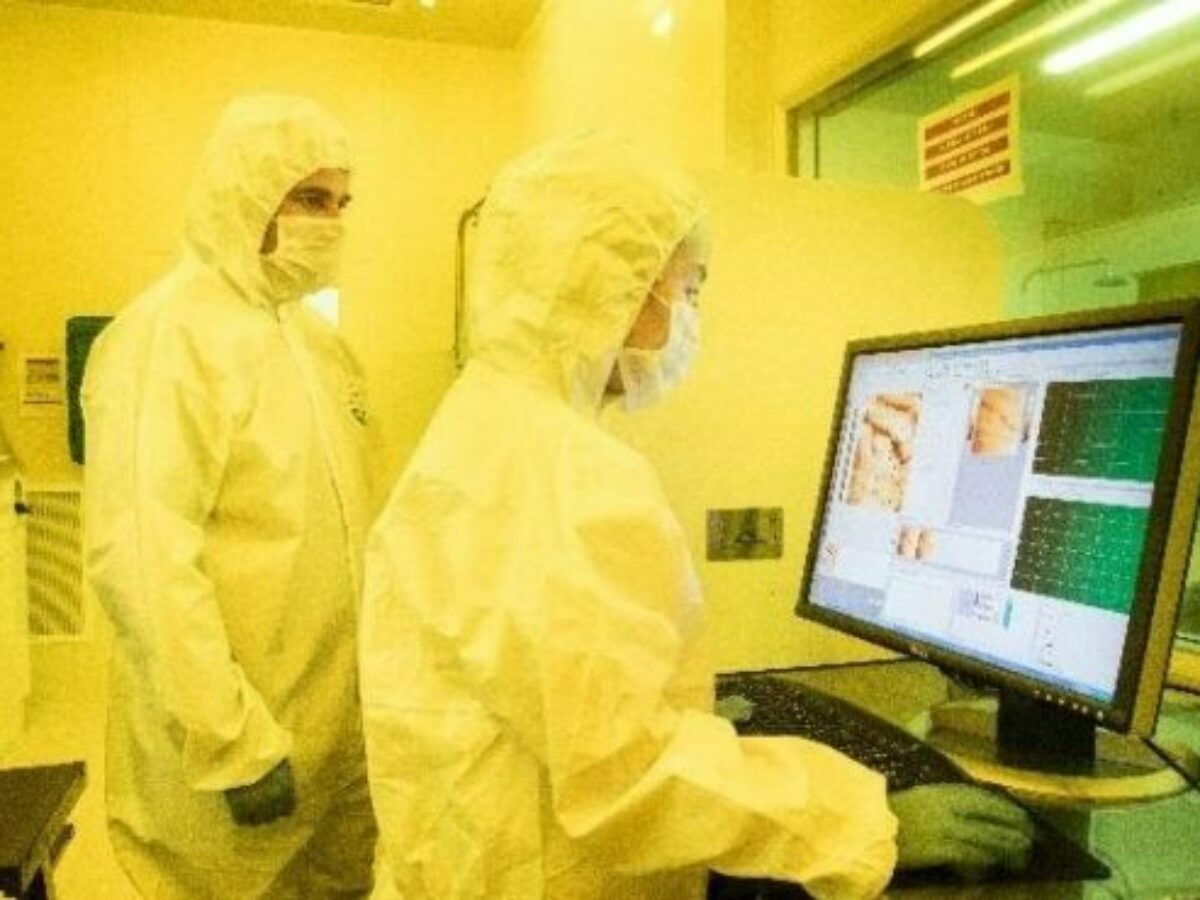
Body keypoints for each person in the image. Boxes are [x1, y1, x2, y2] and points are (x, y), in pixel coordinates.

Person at [359, 131, 1032, 899]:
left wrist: (693, 715)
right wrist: (866, 825)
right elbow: (628, 778)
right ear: (614, 287)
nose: (690, 319)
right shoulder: (568, 476)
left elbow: (568, 698)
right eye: (688, 290)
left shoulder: (489, 422)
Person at [83, 95, 377, 898]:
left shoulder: (314, 343)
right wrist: (228, 739)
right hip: (233, 746)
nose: (332, 222)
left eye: (342, 203)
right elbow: (144, 559)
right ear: (246, 192)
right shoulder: (167, 336)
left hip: (336, 735)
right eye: (310, 198)